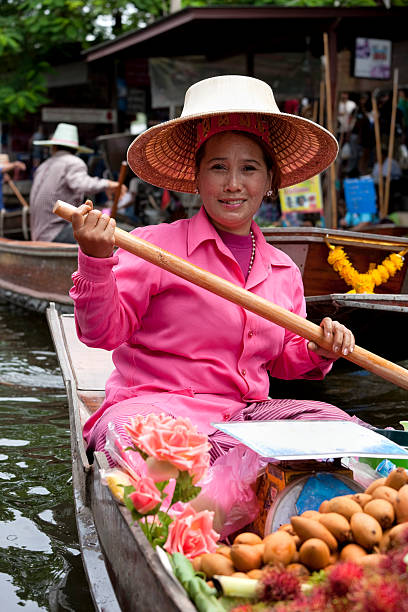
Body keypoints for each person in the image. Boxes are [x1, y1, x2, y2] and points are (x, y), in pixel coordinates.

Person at [69, 75, 362, 468]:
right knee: (133, 438)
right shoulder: (153, 246)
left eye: (250, 168)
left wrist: (318, 347)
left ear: (270, 180)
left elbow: (283, 360)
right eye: (219, 167)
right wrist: (95, 259)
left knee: (336, 424)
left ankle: (234, 471)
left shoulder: (282, 270)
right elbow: (99, 333)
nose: (234, 184)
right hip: (157, 410)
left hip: (245, 415)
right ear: (198, 175)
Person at [29, 123, 126, 243]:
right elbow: (83, 184)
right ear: (76, 150)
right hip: (54, 232)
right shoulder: (74, 162)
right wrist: (108, 184)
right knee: (108, 233)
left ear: (53, 148)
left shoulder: (43, 166)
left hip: (38, 233)